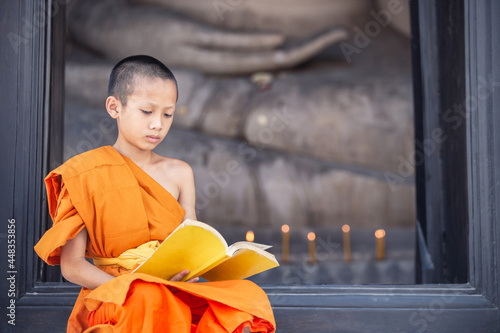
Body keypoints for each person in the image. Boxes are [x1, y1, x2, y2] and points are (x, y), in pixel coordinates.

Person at [34, 55, 276, 333]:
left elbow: (195, 242)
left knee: (245, 296)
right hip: (117, 293)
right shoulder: (84, 174)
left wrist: (194, 271)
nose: (158, 125)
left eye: (167, 114)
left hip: (170, 286)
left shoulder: (180, 173)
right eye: (147, 112)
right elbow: (72, 266)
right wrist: (130, 285)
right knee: (150, 298)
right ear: (115, 107)